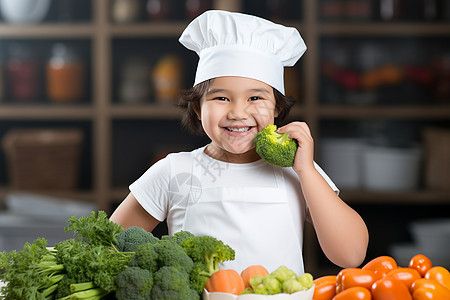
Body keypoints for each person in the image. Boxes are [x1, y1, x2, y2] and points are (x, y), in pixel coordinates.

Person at [110, 10, 368, 275]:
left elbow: (350, 254)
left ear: (277, 108)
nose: (237, 113)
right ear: (198, 108)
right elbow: (108, 247)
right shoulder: (174, 171)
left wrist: (306, 171)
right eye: (221, 98)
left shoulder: (297, 170)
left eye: (255, 99)